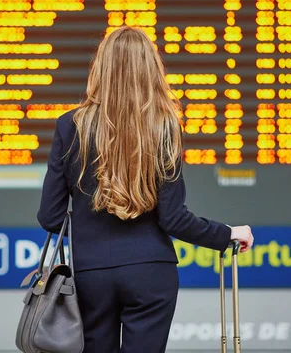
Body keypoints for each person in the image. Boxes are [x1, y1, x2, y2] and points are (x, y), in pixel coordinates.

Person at [37, 26, 254, 353]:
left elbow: (50, 216)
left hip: (91, 275)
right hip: (151, 272)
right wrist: (226, 234)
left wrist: (90, 227)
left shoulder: (71, 125)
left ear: (101, 68)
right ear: (151, 69)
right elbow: (174, 219)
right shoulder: (165, 125)